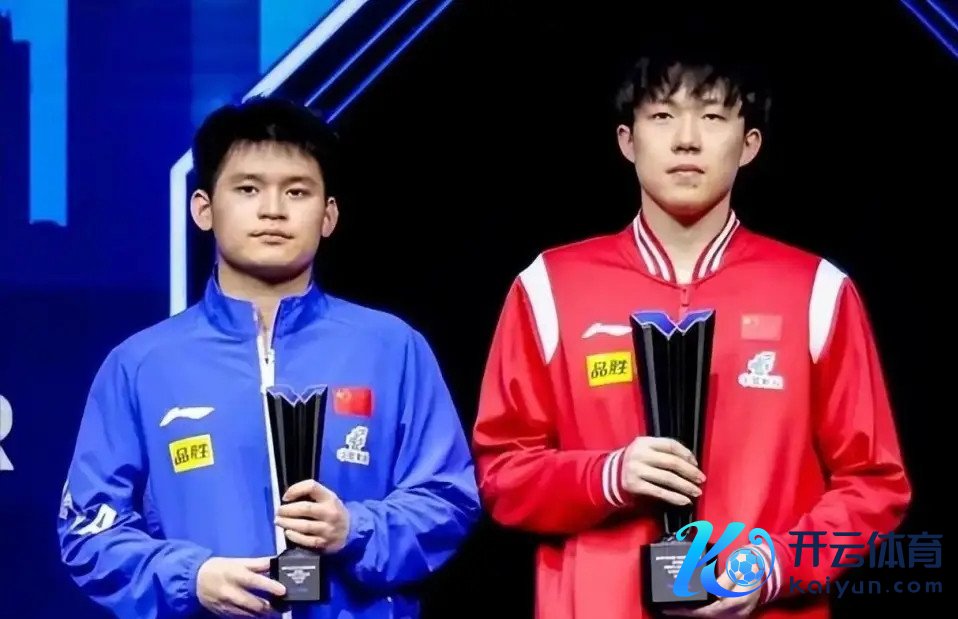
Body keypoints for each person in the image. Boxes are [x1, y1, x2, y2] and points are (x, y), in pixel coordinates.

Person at [471, 40, 912, 619]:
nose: (686, 139)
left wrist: (777, 566)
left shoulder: (817, 290)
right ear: (627, 140)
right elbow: (501, 475)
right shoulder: (549, 286)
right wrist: (607, 475)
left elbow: (875, 483)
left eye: (712, 116)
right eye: (662, 115)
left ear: (749, 144)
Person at [57, 97, 481, 619]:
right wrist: (192, 578)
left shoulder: (392, 348)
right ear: (203, 209)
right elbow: (89, 529)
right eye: (248, 189)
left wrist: (354, 528)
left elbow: (449, 499)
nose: (273, 210)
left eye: (297, 191)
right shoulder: (141, 364)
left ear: (328, 215)